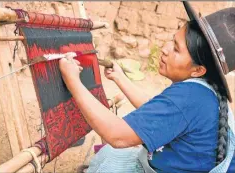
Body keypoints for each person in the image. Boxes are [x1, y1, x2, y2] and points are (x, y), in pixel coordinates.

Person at [59, 2, 235, 173]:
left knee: (112, 157)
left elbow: (117, 136)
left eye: (176, 49)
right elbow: (158, 113)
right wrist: (120, 78)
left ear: (198, 70)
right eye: (171, 41)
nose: (165, 49)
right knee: (111, 156)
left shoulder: (188, 97)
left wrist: (72, 80)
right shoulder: (205, 91)